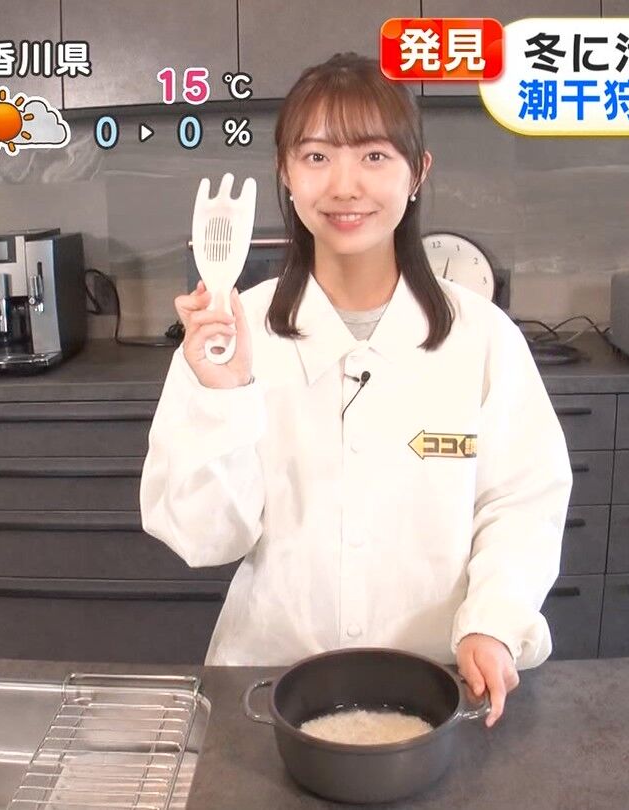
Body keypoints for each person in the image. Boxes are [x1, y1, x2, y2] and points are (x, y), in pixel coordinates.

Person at [139, 53, 572, 728]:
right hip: (271, 685)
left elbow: (522, 504)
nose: (345, 187)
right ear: (285, 172)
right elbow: (204, 539)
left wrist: (492, 622)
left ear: (417, 172)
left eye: (374, 156)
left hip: (440, 684)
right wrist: (223, 396)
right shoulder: (229, 334)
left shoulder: (483, 337)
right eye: (316, 157)